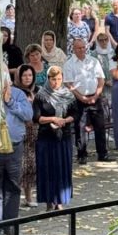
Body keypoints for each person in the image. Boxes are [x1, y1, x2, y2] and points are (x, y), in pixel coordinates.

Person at [0, 0, 32, 235]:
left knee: (12, 187)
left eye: (4, 76)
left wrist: (10, 100)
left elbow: (28, 115)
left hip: (14, 146)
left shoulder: (19, 95)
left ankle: (10, 227)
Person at [62, 38, 116, 164]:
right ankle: (82, 155)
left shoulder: (93, 61)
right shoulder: (69, 64)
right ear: (73, 49)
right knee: (80, 127)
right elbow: (68, 84)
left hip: (95, 97)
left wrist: (96, 96)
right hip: (78, 99)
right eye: (78, 48)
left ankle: (102, 154)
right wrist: (82, 97)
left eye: (83, 47)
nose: (81, 50)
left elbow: (101, 80)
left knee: (100, 126)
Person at [33, 65, 76, 211]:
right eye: (53, 79)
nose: (56, 82)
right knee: (47, 169)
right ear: (48, 79)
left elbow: (75, 114)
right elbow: (36, 117)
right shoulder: (40, 96)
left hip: (63, 137)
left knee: (61, 168)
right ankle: (48, 201)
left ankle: (60, 201)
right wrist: (53, 119)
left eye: (58, 79)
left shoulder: (68, 95)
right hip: (46, 138)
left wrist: (65, 120)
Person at [15, 64, 40, 209]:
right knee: (19, 165)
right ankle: (15, 198)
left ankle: (29, 197)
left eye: (30, 75)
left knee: (31, 165)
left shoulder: (38, 90)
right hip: (20, 131)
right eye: (24, 75)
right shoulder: (15, 91)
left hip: (35, 131)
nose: (27, 78)